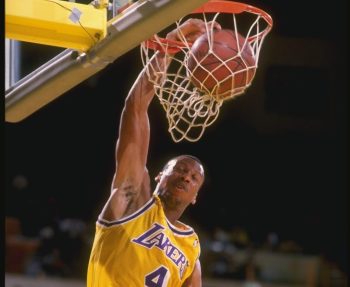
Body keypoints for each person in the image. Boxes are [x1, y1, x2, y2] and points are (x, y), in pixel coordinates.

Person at [87, 19, 221, 287]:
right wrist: (170, 47)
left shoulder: (190, 246)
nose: (187, 177)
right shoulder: (133, 199)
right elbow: (135, 108)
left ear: (196, 197)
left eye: (195, 178)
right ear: (160, 176)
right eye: (181, 170)